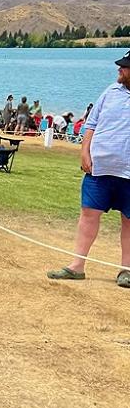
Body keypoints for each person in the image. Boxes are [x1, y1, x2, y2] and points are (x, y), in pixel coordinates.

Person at [47, 52, 130, 288]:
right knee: (88, 214)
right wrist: (85, 152)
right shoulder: (110, 92)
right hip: (100, 168)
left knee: (129, 221)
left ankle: (127, 270)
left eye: (124, 68)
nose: (120, 71)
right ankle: (77, 266)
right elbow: (91, 124)